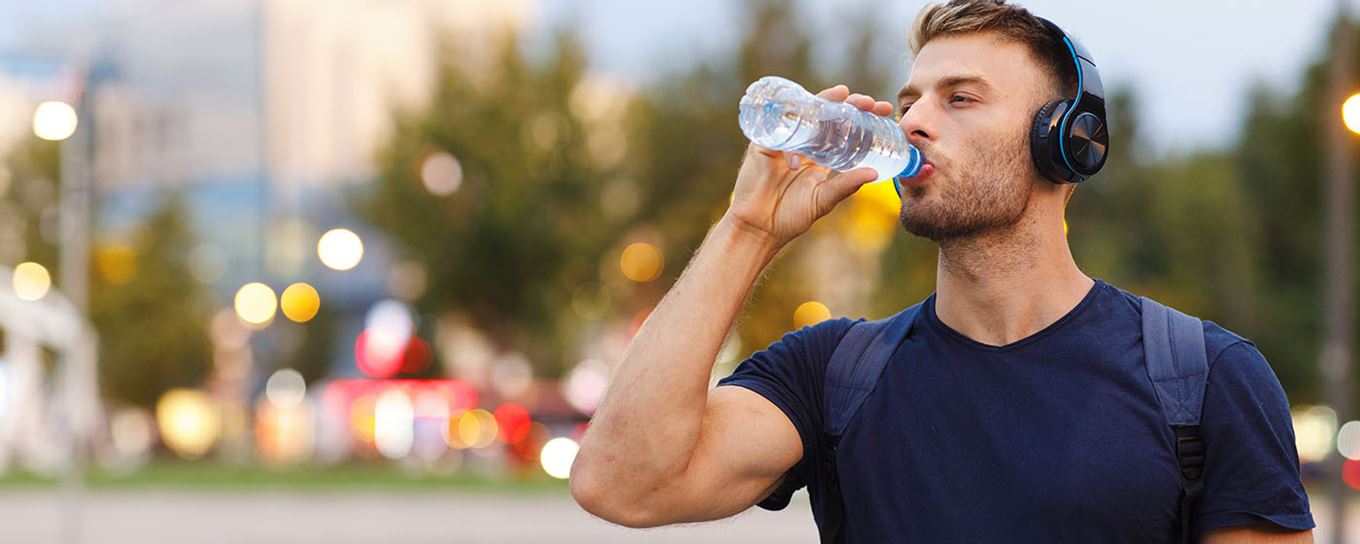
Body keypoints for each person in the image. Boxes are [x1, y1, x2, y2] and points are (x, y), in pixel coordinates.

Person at [569, 1, 1315, 541]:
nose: (914, 121)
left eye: (960, 98)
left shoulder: (1203, 377)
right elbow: (623, 484)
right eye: (909, 101)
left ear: (1067, 145)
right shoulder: (831, 373)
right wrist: (749, 230)